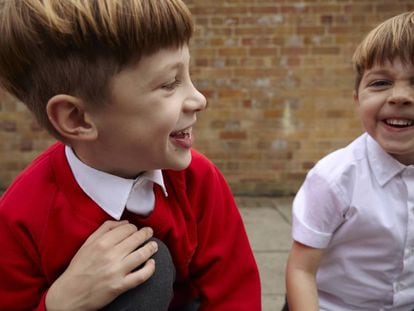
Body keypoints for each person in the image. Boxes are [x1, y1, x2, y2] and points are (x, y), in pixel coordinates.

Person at [0, 1, 261, 310]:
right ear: (77, 119)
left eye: (188, 75)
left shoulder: (198, 181)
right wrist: (59, 304)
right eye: (168, 84)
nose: (198, 99)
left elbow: (235, 295)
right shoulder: (20, 218)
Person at [285, 11, 414, 311]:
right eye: (381, 83)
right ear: (357, 98)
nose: (400, 97)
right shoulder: (334, 178)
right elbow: (301, 270)